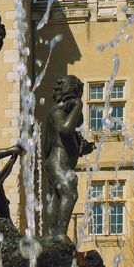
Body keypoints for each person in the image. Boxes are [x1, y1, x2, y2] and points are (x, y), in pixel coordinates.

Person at [44, 75, 94, 240]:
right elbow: (66, 129)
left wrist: (80, 148)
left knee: (54, 197)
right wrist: (78, 105)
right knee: (70, 193)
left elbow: (48, 144)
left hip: (55, 160)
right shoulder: (58, 112)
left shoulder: (57, 112)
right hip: (58, 161)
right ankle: (59, 235)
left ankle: (51, 236)